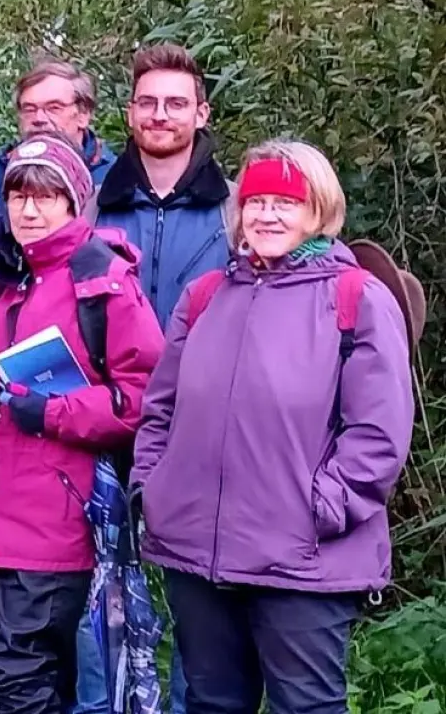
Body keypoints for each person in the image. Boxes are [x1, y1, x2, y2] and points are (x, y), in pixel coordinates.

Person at [133, 141, 414, 714]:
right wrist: (154, 489)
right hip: (196, 553)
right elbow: (160, 410)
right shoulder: (205, 297)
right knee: (211, 704)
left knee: (306, 707)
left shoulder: (357, 298)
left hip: (302, 562)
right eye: (255, 200)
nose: (266, 214)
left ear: (320, 210)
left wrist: (322, 507)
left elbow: (379, 433)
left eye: (285, 202)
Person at [0, 131, 165, 714]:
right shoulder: (5, 278)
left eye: (45, 197)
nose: (29, 211)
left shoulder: (101, 281)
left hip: (57, 517)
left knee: (21, 675)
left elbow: (145, 395)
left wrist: (56, 412)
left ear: (73, 202)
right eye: (17, 197)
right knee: (14, 669)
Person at [76, 43, 231, 712]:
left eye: (176, 103)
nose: (160, 114)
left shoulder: (237, 213)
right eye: (147, 102)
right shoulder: (88, 208)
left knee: (199, 606)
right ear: (129, 111)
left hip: (208, 432)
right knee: (98, 601)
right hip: (103, 427)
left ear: (201, 113)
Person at [0, 60, 115, 212]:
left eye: (54, 108)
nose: (39, 118)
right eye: (29, 109)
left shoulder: (114, 180)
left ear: (83, 115)